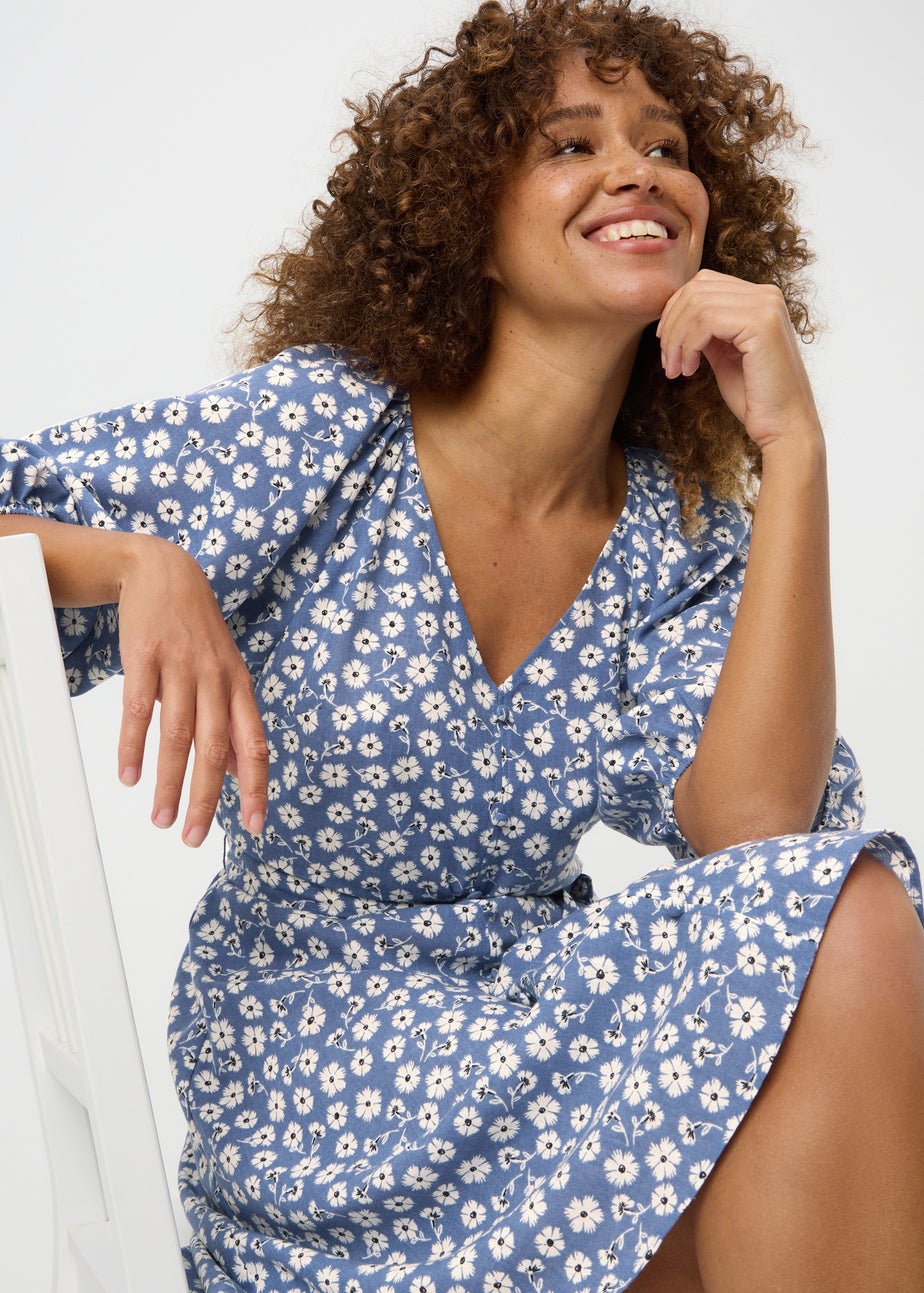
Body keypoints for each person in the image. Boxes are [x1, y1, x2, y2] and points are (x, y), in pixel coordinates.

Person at [2, 0, 922, 1288]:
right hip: (320, 1073)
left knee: (854, 912)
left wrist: (795, 454)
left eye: (665, 143)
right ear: (465, 228)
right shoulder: (325, 437)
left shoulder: (675, 533)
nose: (636, 168)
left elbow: (765, 842)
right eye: (568, 144)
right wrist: (133, 561)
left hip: (530, 1033)